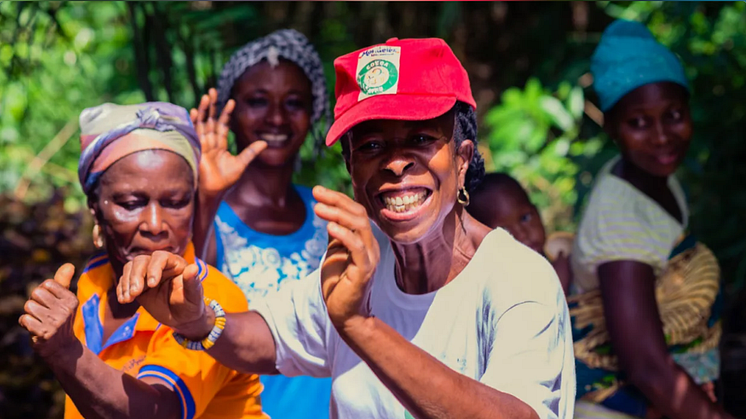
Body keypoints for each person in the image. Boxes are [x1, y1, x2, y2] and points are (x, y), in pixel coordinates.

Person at [118, 37, 576, 419]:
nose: (396, 163)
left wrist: (359, 325)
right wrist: (197, 320)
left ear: (460, 159)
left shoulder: (518, 280)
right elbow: (270, 339)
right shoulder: (361, 259)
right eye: (373, 145)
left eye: (420, 139)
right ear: (353, 171)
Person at [18, 102, 266, 419]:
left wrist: (66, 352)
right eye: (131, 203)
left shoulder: (209, 300)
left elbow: (162, 410)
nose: (154, 223)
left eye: (175, 203)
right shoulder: (93, 281)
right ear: (95, 206)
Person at [568, 20, 730, 419]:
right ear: (612, 129)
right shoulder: (620, 220)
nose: (661, 136)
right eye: (638, 122)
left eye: (673, 115)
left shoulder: (653, 177)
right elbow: (647, 367)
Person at [189, 29, 332, 419]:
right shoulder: (206, 214)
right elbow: (178, 306)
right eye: (257, 101)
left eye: (294, 102)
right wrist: (205, 197)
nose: (276, 117)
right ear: (229, 113)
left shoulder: (330, 215)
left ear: (314, 110)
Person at [469, 172, 573, 294]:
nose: (522, 234)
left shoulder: (557, 252)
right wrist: (559, 281)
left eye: (525, 218)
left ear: (537, 212)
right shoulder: (502, 284)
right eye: (504, 231)